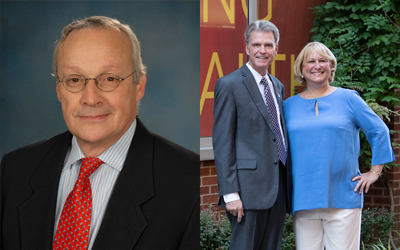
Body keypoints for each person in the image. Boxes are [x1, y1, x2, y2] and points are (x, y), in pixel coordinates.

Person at [0, 16, 199, 250]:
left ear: (139, 86)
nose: (91, 98)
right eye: (74, 80)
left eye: (109, 79)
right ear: (59, 90)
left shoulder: (190, 184)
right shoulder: (15, 170)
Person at [284, 41, 395, 250]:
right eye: (311, 61)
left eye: (322, 60)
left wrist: (374, 172)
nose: (317, 65)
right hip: (303, 199)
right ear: (301, 68)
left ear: (330, 67)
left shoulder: (348, 98)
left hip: (343, 197)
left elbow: (379, 130)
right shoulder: (288, 106)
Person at [213, 20, 292, 250]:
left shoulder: (277, 86)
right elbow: (222, 142)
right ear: (246, 48)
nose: (262, 50)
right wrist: (230, 194)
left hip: (277, 188)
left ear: (276, 48)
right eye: (256, 44)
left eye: (268, 45)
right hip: (246, 192)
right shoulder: (229, 85)